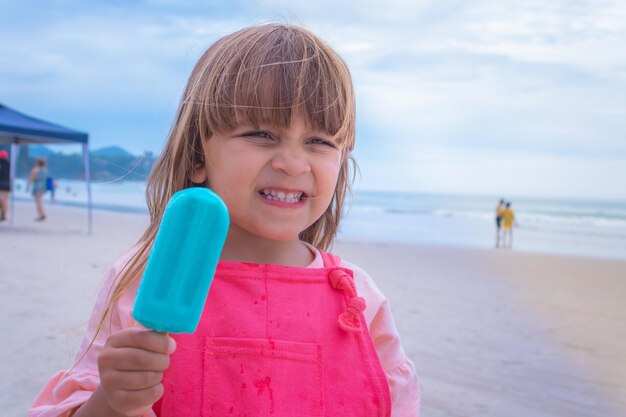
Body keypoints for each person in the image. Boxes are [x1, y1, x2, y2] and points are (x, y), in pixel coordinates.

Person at [29, 24, 420, 417]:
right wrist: (112, 401)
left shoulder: (358, 299)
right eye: (262, 133)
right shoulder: (139, 279)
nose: (292, 163)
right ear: (198, 156)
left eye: (319, 141)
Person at [0, 150, 10, 221]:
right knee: (6, 200)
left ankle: (3, 214)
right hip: (7, 183)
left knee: (1, 199)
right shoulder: (9, 163)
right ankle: (4, 214)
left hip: (1, 183)